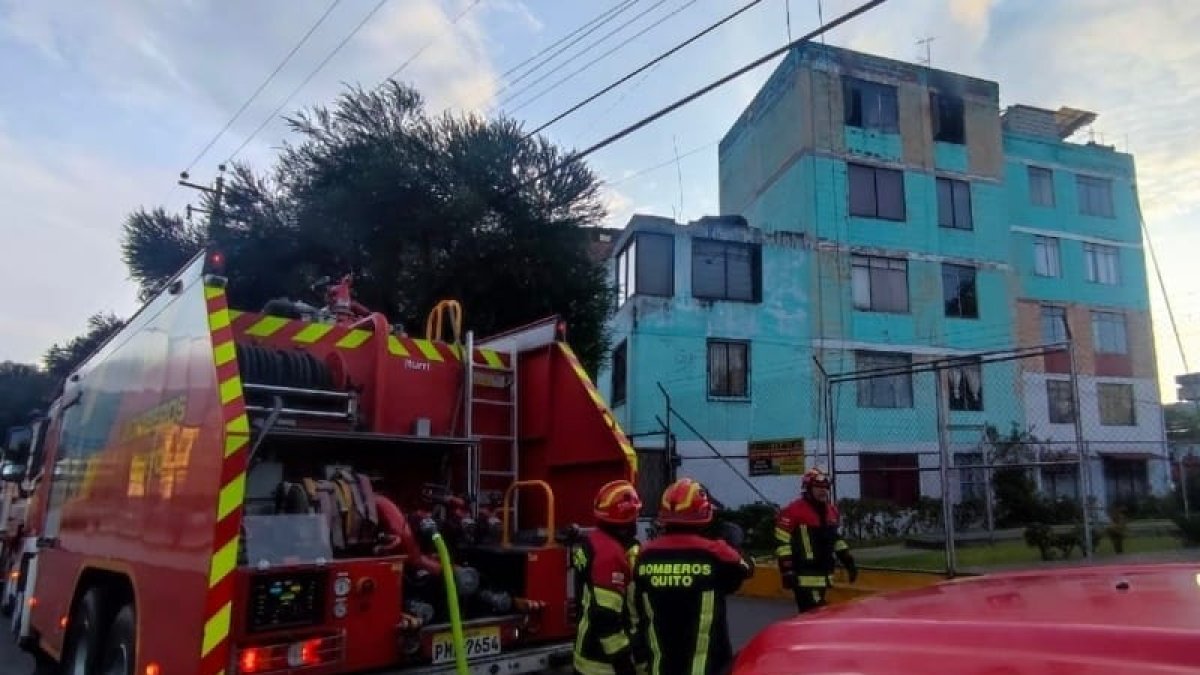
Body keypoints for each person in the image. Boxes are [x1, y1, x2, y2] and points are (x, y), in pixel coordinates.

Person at [633, 478, 753, 675]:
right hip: (707, 666)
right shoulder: (716, 552)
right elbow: (746, 569)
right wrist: (734, 544)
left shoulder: (644, 555)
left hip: (660, 666)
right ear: (704, 513)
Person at [572, 479, 645, 675]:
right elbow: (606, 618)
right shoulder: (610, 556)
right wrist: (624, 665)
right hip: (604, 665)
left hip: (587, 655)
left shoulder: (593, 542)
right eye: (636, 513)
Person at [775, 467, 857, 613]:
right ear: (807, 488)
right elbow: (782, 543)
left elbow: (836, 539)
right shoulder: (793, 511)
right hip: (803, 575)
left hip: (824, 574)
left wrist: (847, 560)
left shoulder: (831, 511)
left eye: (825, 487)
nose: (823, 491)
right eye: (818, 487)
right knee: (818, 614)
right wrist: (787, 570)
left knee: (812, 620)